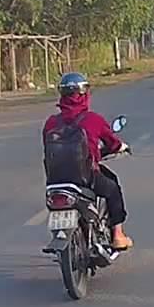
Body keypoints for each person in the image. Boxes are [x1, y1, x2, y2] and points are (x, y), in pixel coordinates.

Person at [43, 72, 133, 250]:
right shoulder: (93, 120)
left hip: (55, 180)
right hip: (85, 177)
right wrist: (122, 147)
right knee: (112, 188)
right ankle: (118, 235)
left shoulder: (51, 123)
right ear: (84, 94)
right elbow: (113, 144)